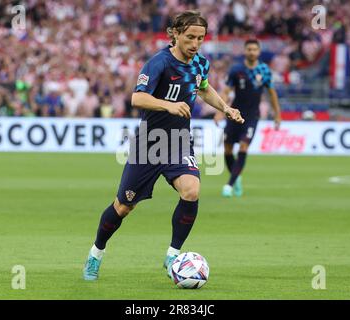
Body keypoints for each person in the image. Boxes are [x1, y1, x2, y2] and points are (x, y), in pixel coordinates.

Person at [83, 10, 244, 281]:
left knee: (191, 190)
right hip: (149, 144)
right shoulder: (159, 62)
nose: (195, 43)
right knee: (123, 206)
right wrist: (169, 106)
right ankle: (96, 253)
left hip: (179, 142)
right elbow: (138, 98)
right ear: (176, 34)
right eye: (190, 37)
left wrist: (225, 107)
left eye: (200, 38)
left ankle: (173, 254)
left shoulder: (200, 64)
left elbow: (203, 88)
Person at [214, 39, 281, 198]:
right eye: (249, 49)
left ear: (258, 52)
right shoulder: (237, 70)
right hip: (234, 113)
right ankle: (236, 179)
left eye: (254, 49)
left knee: (243, 147)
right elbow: (226, 91)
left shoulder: (264, 70)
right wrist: (220, 111)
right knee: (228, 149)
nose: (252, 52)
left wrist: (277, 114)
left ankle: (230, 184)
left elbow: (272, 94)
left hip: (252, 116)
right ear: (245, 51)